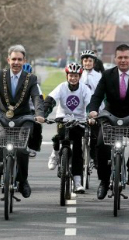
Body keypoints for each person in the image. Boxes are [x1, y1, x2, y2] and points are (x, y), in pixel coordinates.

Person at [89, 44, 129, 199]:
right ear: (115, 58)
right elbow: (97, 96)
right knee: (101, 143)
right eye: (120, 57)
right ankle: (104, 181)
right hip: (111, 115)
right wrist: (93, 110)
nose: (123, 60)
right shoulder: (107, 75)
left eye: (126, 57)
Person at [0, 44, 44, 198]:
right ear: (8, 60)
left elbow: (36, 97)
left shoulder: (31, 78)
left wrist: (39, 114)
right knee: (0, 140)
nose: (16, 62)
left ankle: (23, 181)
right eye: (13, 59)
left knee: (22, 149)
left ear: (24, 61)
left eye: (19, 59)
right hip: (2, 115)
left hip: (23, 117)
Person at [44, 63, 92, 193]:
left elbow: (89, 105)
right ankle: (55, 153)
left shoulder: (84, 89)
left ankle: (77, 182)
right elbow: (50, 100)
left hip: (79, 121)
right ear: (67, 76)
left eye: (76, 76)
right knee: (59, 137)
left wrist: (91, 116)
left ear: (80, 76)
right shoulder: (61, 87)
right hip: (63, 119)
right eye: (71, 75)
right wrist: (43, 114)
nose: (73, 78)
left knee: (77, 150)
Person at [79, 50, 102, 167]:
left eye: (90, 61)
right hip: (80, 109)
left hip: (94, 109)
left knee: (95, 135)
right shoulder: (78, 75)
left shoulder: (98, 76)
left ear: (94, 62)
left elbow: (101, 94)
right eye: (85, 60)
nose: (87, 63)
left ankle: (95, 156)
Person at [23, 62, 43, 158]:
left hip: (31, 111)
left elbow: (40, 100)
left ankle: (32, 147)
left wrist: (39, 114)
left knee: (37, 125)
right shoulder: (12, 84)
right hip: (15, 111)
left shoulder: (35, 86)